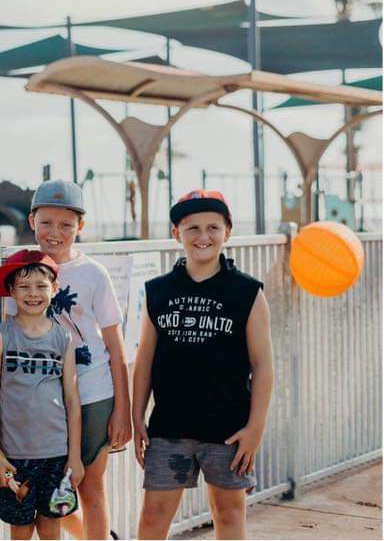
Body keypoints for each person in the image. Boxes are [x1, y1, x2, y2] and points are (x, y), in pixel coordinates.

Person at [133, 190, 274, 540]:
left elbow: (264, 364)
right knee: (153, 519)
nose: (203, 236)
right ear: (175, 233)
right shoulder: (158, 291)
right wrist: (136, 416)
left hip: (228, 429)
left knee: (228, 516)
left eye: (213, 227)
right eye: (192, 228)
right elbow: (145, 360)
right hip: (170, 427)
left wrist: (255, 428)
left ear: (227, 232)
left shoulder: (247, 292)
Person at [8, 179, 131, 539]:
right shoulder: (21, 271)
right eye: (46, 222)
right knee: (48, 491)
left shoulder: (94, 273)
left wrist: (121, 408)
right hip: (41, 397)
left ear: (81, 226)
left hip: (93, 392)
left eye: (66, 224)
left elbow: (115, 344)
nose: (55, 232)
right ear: (32, 221)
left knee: (91, 487)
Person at [0, 250, 84, 541]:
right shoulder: (0, 335)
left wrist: (74, 456)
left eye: (41, 286)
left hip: (55, 453)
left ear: (54, 289)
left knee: (51, 527)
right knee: (21, 530)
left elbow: (72, 401)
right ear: (11, 291)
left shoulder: (62, 337)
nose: (33, 293)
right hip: (15, 456)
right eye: (24, 286)